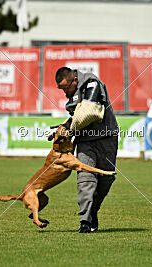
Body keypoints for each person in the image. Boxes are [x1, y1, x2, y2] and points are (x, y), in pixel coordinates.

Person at [55, 67, 119, 233]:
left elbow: (88, 112)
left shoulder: (91, 82)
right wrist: (63, 127)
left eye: (66, 88)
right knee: (86, 178)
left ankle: (93, 211)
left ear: (75, 80)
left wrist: (70, 128)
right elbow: (77, 117)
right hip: (85, 142)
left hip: (107, 138)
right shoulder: (71, 98)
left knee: (106, 180)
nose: (64, 93)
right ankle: (85, 221)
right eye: (61, 90)